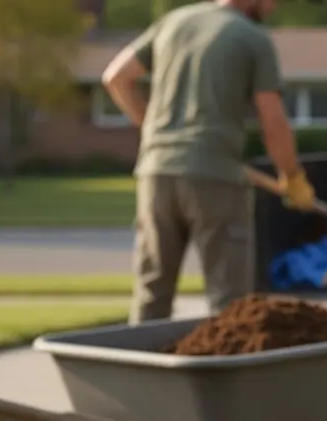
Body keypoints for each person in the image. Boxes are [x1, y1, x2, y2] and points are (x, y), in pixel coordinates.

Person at [101, 0, 316, 323]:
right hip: (215, 178)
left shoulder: (174, 22)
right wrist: (293, 176)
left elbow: (116, 77)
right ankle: (230, 373)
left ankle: (139, 369)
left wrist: (153, 130)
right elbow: (273, 122)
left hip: (155, 173)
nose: (274, 7)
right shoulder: (251, 37)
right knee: (229, 303)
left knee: (152, 293)